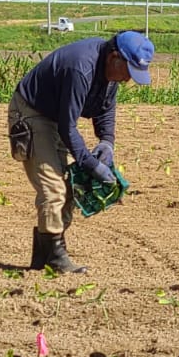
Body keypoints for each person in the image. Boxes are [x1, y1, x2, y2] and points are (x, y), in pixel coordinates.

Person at [10, 31, 154, 274]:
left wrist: (107, 141)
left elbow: (105, 108)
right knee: (53, 188)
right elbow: (69, 127)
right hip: (32, 112)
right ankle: (55, 257)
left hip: (56, 117)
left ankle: (43, 257)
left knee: (68, 188)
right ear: (114, 57)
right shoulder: (80, 68)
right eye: (128, 70)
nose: (129, 79)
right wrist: (90, 164)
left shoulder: (110, 74)